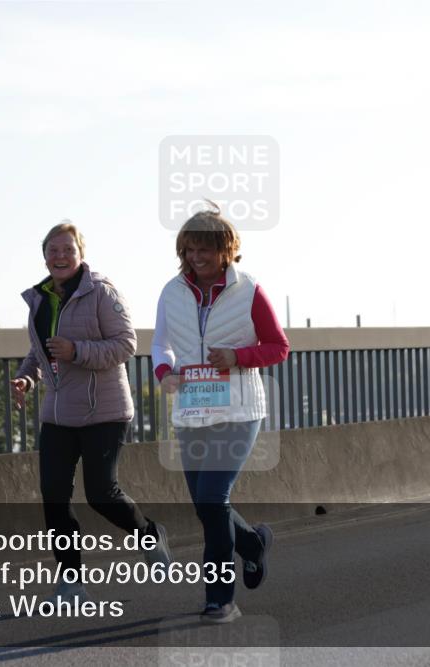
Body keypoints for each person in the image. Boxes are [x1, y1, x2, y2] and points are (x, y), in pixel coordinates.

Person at [11, 221, 171, 603]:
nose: (60, 256)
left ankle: (148, 534)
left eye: (68, 249)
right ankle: (71, 582)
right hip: (58, 413)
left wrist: (78, 351)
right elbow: (40, 350)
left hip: (106, 411)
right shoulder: (41, 298)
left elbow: (126, 345)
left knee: (101, 493)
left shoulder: (101, 292)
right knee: (54, 495)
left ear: (81, 254)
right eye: (53, 249)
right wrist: (25, 379)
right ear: (44, 255)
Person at [152, 205, 290, 623]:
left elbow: (278, 347)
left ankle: (220, 599)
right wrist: (164, 373)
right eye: (189, 249)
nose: (196, 257)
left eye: (205, 249)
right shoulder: (171, 292)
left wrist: (237, 356)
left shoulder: (249, 291)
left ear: (226, 249)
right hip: (191, 411)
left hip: (239, 410)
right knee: (208, 505)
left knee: (213, 499)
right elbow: (161, 344)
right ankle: (252, 544)